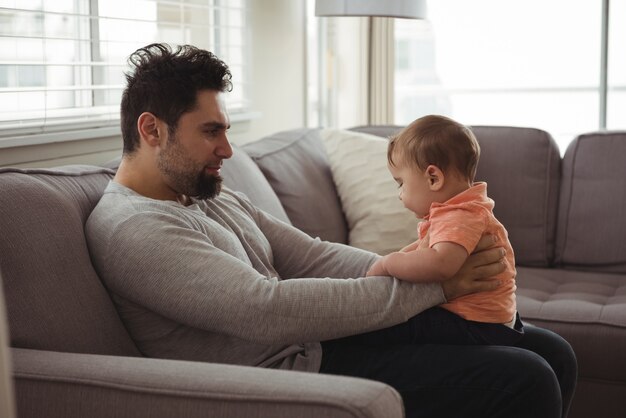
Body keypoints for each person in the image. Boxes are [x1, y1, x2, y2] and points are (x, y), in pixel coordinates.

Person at [85, 43, 576, 417]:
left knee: (552, 350)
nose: (228, 150)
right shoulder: (135, 229)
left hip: (317, 344)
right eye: (211, 131)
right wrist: (439, 286)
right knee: (526, 376)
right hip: (280, 375)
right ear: (152, 130)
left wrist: (424, 271)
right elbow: (266, 311)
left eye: (226, 130)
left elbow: (312, 256)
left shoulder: (203, 193)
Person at [366, 114, 522, 346]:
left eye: (401, 183)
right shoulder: (461, 209)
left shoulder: (459, 215)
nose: (399, 194)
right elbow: (425, 249)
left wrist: (389, 263)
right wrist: (402, 257)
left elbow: (441, 264)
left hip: (477, 325)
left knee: (390, 330)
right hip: (485, 321)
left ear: (433, 178)